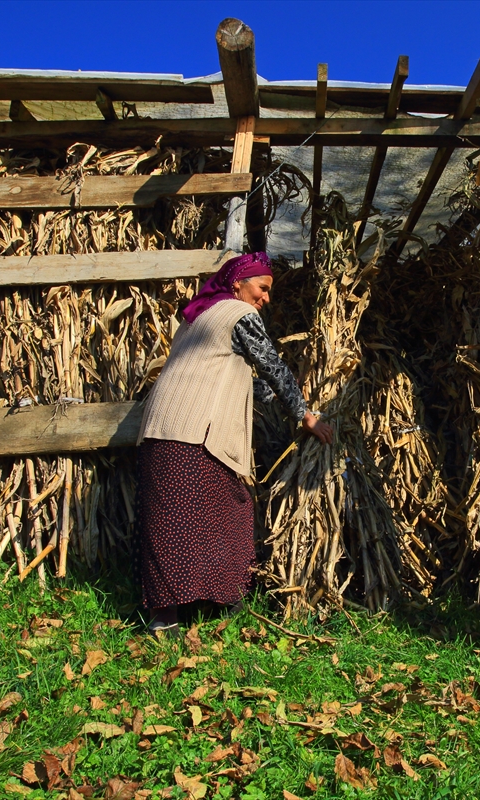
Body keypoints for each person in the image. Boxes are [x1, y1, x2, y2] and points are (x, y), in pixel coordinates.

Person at [135, 251, 333, 637]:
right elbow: (271, 365)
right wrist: (306, 414)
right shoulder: (238, 314)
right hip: (192, 432)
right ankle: (208, 602)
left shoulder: (199, 319)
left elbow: (232, 374)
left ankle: (182, 610)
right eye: (262, 288)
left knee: (179, 518)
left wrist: (279, 401)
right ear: (238, 283)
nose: (266, 299)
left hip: (161, 428)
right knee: (214, 514)